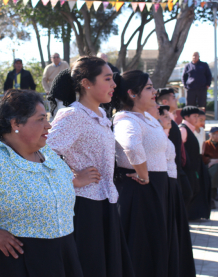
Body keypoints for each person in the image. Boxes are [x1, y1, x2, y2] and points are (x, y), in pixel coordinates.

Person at [0, 90, 83, 277]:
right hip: (17, 262)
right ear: (16, 123)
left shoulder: (48, 155)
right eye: (40, 119)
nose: (48, 126)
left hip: (63, 255)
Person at [47, 56, 134, 277]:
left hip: (105, 201)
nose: (114, 85)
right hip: (84, 205)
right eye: (107, 79)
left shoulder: (102, 114)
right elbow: (43, 153)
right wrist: (73, 178)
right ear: (86, 83)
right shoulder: (73, 114)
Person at [111, 71, 171, 277]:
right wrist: (144, 175)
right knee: (142, 251)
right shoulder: (125, 118)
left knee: (154, 247)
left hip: (154, 189)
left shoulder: (145, 117)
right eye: (148, 88)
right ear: (132, 93)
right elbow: (131, 145)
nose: (154, 91)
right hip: (140, 190)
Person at [158, 105, 196, 277]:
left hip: (173, 181)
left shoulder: (167, 133)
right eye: (166, 116)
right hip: (166, 183)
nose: (170, 119)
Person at [157, 88, 194, 206]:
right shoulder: (162, 121)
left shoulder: (171, 120)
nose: (176, 100)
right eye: (173, 97)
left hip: (177, 167)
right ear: (164, 102)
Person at [180, 106, 201, 201]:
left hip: (192, 169)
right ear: (186, 117)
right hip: (186, 169)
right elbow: (178, 149)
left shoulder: (191, 129)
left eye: (198, 116)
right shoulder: (183, 130)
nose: (197, 118)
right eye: (194, 116)